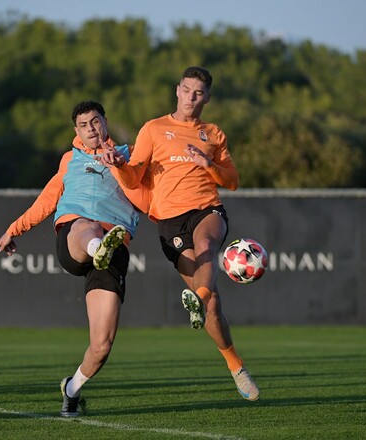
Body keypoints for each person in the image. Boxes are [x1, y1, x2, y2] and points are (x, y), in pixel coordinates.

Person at [101, 66, 259, 401]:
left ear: (207, 98)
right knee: (213, 304)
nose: (191, 97)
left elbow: (231, 181)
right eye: (186, 90)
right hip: (168, 221)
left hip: (206, 209)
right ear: (177, 90)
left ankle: (197, 301)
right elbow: (133, 179)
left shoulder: (212, 133)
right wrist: (118, 165)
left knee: (206, 244)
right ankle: (235, 364)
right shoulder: (154, 129)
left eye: (198, 92)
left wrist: (208, 165)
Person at [0, 101, 149, 417]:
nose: (91, 128)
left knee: (101, 346)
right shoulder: (70, 160)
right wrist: (15, 229)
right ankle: (97, 247)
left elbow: (149, 195)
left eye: (95, 121)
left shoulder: (131, 155)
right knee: (87, 225)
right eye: (83, 124)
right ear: (76, 131)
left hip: (115, 245)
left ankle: (71, 388)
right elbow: (48, 200)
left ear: (105, 121)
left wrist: (120, 164)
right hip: (76, 241)